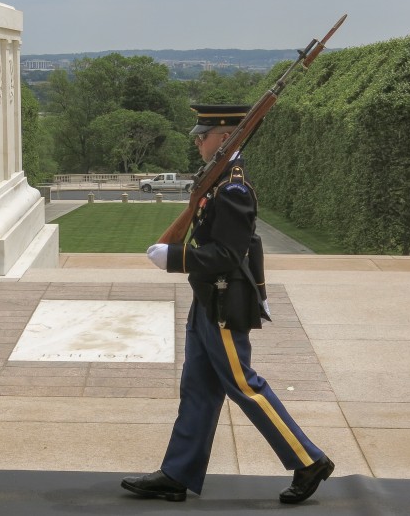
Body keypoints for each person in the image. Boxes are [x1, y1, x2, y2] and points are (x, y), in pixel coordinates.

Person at [121, 104, 333, 505]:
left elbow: (228, 255)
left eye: (203, 136)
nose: (198, 142)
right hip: (207, 298)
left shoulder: (233, 187)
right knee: (198, 388)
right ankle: (177, 472)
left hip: (224, 300)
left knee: (244, 386)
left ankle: (309, 460)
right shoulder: (218, 179)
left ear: (224, 138)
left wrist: (176, 257)